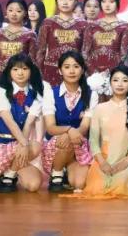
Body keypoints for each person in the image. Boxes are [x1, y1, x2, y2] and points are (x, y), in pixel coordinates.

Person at [79, 65, 128, 199]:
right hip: (103, 160)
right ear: (110, 83)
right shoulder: (100, 109)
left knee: (120, 187)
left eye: (125, 80)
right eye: (116, 80)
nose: (120, 84)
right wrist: (102, 162)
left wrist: (125, 162)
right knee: (96, 188)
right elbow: (93, 140)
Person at [0, 54, 44, 193]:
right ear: (9, 72)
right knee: (31, 145)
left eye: (24, 69)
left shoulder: (36, 95)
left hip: (19, 145)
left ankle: (10, 174)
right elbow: (10, 123)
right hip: (1, 146)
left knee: (34, 184)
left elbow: (28, 124)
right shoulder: (1, 93)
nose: (20, 73)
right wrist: (24, 144)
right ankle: (4, 172)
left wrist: (23, 145)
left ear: (31, 71)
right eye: (15, 69)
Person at [41, 52, 96, 192]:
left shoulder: (91, 94)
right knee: (66, 138)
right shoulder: (50, 93)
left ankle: (68, 168)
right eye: (67, 67)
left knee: (79, 184)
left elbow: (85, 126)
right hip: (56, 144)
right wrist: (68, 130)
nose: (71, 71)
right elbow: (50, 127)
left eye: (76, 66)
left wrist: (72, 133)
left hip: (79, 142)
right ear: (60, 70)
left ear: (82, 70)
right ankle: (57, 173)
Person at [35, 0, 88, 87]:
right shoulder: (48, 23)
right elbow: (40, 51)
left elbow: (85, 52)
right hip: (51, 71)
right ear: (56, 2)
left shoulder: (83, 25)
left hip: (74, 72)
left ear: (75, 1)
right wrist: (39, 73)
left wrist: (83, 72)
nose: (65, 2)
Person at [81, 0, 128, 77]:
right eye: (104, 1)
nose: (107, 5)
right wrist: (94, 73)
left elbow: (123, 54)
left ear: (117, 2)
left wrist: (108, 73)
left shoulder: (124, 27)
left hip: (114, 75)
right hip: (93, 76)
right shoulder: (92, 26)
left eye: (111, 2)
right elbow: (85, 52)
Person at [0, 0, 36, 84]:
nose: (14, 14)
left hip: (20, 78)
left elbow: (33, 62)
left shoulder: (30, 34)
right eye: (10, 10)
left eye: (18, 11)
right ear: (6, 12)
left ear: (25, 13)